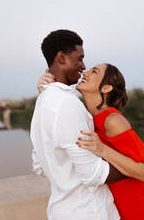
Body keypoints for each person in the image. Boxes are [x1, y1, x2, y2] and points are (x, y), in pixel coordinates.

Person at [38, 63, 144, 220]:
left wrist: (102, 150)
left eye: (94, 71)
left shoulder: (113, 121)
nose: (84, 73)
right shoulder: (85, 117)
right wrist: (47, 91)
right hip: (113, 208)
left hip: (138, 207)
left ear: (106, 88)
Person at [30, 29, 124, 220]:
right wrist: (132, 166)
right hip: (89, 212)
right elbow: (93, 174)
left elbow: (39, 165)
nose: (83, 66)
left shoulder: (42, 101)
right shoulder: (67, 103)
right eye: (79, 58)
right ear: (61, 58)